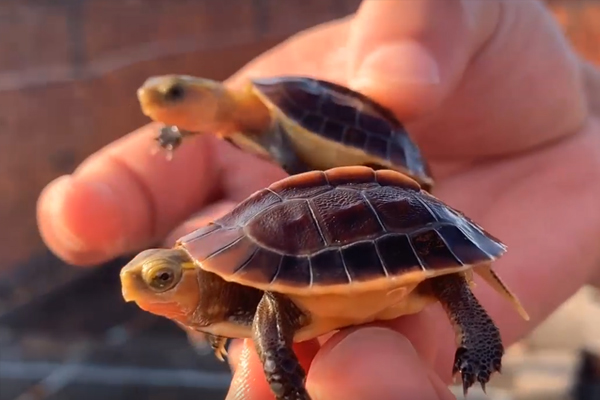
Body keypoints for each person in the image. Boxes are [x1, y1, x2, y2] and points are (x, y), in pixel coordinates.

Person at [37, 1, 600, 399]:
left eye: (162, 278)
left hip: (390, 192)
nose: (142, 289)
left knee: (444, 279)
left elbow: (274, 313)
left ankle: (480, 338)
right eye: (156, 279)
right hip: (383, 190)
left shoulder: (269, 297)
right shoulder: (241, 263)